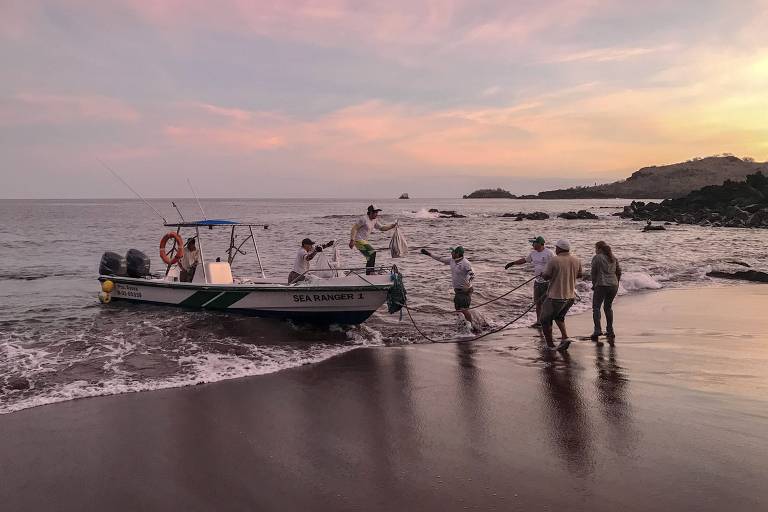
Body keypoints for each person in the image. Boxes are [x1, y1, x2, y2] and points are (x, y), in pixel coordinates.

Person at [420, 246, 478, 329]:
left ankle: (471, 327)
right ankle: (463, 324)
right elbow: (440, 258)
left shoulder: (466, 263)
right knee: (458, 308)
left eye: (453, 252)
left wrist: (468, 284)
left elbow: (472, 274)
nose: (451, 253)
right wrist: (428, 254)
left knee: (463, 309)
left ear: (457, 254)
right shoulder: (452, 260)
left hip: (465, 290)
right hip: (458, 291)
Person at [540, 239, 582, 351]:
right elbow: (580, 275)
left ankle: (550, 346)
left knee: (544, 320)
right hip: (570, 296)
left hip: (555, 296)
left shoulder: (554, 260)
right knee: (559, 317)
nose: (555, 249)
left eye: (556, 247)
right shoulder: (576, 259)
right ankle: (565, 337)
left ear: (559, 248)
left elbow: (546, 276)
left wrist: (543, 274)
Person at [505, 236, 555, 328]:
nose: (532, 245)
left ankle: (547, 321)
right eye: (532, 243)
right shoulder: (533, 253)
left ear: (540, 243)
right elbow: (524, 260)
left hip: (547, 282)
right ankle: (539, 322)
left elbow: (555, 265)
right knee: (537, 303)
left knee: (546, 303)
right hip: (537, 281)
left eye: (534, 243)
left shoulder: (549, 253)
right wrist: (512, 263)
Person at [349, 205, 397, 274]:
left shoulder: (374, 220)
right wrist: (352, 240)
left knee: (370, 256)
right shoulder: (363, 219)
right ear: (370, 212)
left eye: (377, 212)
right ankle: (370, 272)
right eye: (375, 212)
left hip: (363, 241)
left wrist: (392, 226)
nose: (377, 214)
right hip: (358, 240)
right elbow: (354, 228)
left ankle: (369, 274)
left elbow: (382, 228)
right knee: (372, 252)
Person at [590, 241, 621, 342]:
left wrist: (594, 284)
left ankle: (597, 330)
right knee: (608, 307)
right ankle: (610, 330)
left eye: (596, 248)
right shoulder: (613, 257)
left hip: (602, 284)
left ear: (599, 249)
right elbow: (619, 271)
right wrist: (617, 282)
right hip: (614, 285)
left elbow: (593, 273)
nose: (595, 250)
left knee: (596, 307)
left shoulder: (597, 257)